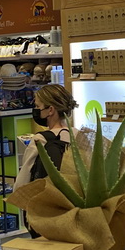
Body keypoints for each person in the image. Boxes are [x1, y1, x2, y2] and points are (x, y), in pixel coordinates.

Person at [15, 84, 78, 238]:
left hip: (47, 214)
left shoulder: (40, 140)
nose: (35, 110)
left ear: (50, 110)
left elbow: (21, 185)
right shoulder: (79, 136)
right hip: (76, 210)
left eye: (38, 106)